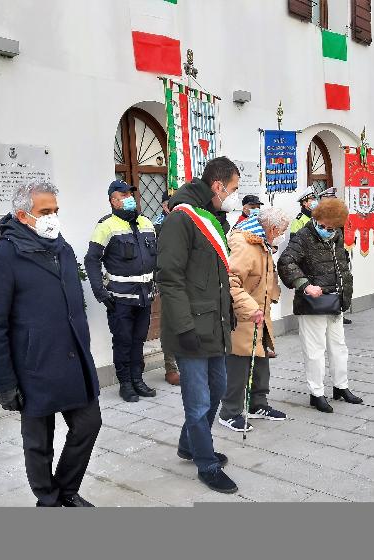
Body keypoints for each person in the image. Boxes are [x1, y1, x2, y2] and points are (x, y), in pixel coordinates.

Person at [0, 182, 101, 507]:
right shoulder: (0, 259)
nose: (53, 218)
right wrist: (4, 383)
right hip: (33, 368)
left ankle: (66, 490)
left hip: (73, 361)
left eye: (55, 211)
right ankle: (48, 501)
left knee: (89, 424)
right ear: (22, 215)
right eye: (45, 212)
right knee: (38, 443)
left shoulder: (63, 249)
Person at [157, 156, 256, 494]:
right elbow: (169, 279)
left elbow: (216, 277)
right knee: (198, 401)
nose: (233, 195)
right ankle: (206, 464)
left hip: (215, 325)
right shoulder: (182, 219)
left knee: (216, 391)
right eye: (232, 189)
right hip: (191, 329)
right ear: (217, 186)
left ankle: (189, 444)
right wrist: (184, 328)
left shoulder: (211, 218)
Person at [277, 198, 363, 413]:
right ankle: (316, 393)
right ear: (316, 219)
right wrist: (304, 285)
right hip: (313, 303)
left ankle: (340, 386)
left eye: (331, 227)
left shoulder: (337, 235)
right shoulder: (304, 236)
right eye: (323, 226)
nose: (327, 230)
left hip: (335, 300)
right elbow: (286, 262)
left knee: (338, 347)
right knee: (315, 350)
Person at [85, 180, 157, 402]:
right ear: (113, 201)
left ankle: (138, 379)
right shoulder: (106, 226)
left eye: (130, 194)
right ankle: (125, 383)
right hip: (121, 298)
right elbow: (92, 260)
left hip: (145, 296)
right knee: (123, 340)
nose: (129, 198)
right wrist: (100, 292)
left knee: (138, 340)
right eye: (123, 195)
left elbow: (156, 255)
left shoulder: (146, 222)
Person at [218, 208, 290, 432]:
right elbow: (230, 281)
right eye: (281, 231)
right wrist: (250, 308)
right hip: (243, 315)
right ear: (272, 228)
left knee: (261, 363)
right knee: (239, 365)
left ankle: (258, 404)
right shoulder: (244, 245)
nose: (281, 235)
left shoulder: (261, 243)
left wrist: (273, 295)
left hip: (260, 314)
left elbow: (266, 275)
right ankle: (229, 412)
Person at [153, 191, 180, 386]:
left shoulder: (186, 222)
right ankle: (171, 367)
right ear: (164, 206)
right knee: (170, 324)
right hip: (168, 281)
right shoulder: (156, 226)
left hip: (186, 279)